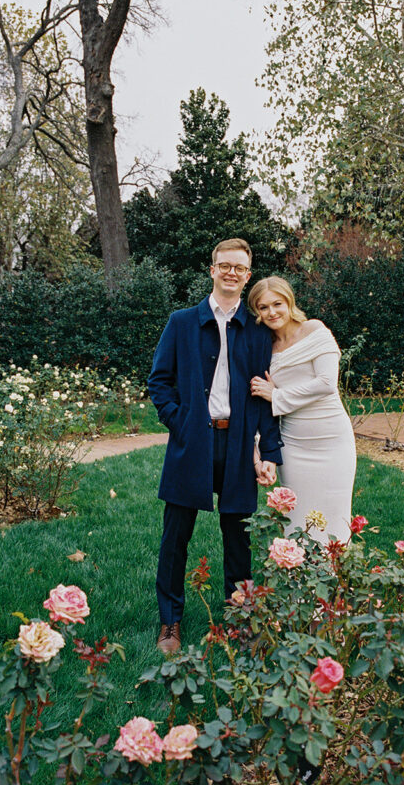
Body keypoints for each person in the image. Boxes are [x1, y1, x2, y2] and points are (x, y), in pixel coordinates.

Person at [148, 239, 283, 654]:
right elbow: (159, 382)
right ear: (212, 270)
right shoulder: (182, 322)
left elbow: (265, 396)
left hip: (240, 442)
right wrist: (182, 423)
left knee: (238, 537)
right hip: (193, 441)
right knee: (176, 536)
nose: (231, 272)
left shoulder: (258, 331)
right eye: (224, 265)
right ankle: (170, 622)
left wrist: (271, 453)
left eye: (239, 268)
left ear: (247, 274)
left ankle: (239, 615)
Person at [248, 276, 356, 544]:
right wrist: (260, 444)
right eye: (263, 307)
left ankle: (336, 580)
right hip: (294, 444)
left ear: (289, 302)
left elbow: (326, 384)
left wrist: (277, 395)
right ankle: (299, 578)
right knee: (297, 516)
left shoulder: (314, 330)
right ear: (256, 312)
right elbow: (257, 396)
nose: (272, 312)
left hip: (332, 441)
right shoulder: (265, 347)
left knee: (335, 516)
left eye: (277, 304)